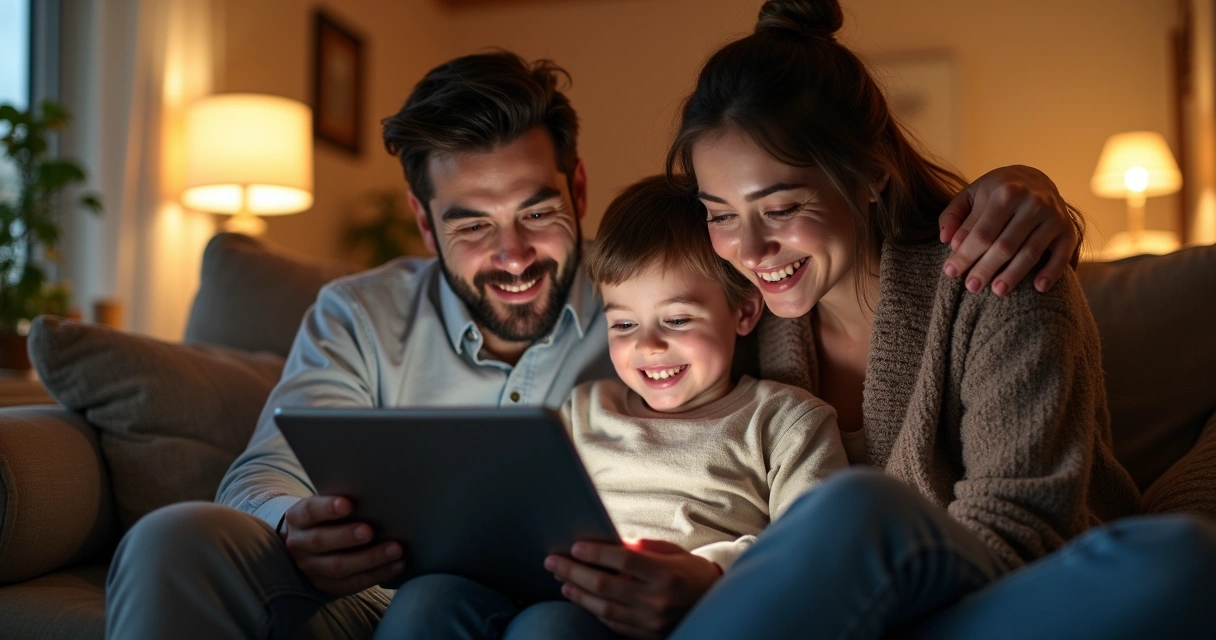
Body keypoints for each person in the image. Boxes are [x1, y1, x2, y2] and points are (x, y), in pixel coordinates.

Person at [104, 50, 1100, 639]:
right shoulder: (358, 311)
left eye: (535, 210)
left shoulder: (672, 298)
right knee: (170, 535)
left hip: (588, 595)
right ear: (421, 221)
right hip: (377, 584)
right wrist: (293, 525)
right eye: (469, 223)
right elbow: (268, 464)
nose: (512, 253)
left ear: (578, 192)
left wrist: (1026, 185)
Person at [542, 1, 1216, 638]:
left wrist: (744, 590)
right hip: (827, 616)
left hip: (1008, 599)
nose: (749, 250)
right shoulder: (734, 317)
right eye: (721, 213)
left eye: (779, 208)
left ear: (869, 174)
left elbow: (1021, 534)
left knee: (1180, 558)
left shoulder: (998, 279)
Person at [375, 175, 849, 639]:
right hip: (551, 591)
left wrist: (712, 571)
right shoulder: (584, 408)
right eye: (623, 325)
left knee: (549, 627)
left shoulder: (784, 421)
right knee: (425, 599)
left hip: (672, 615)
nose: (649, 345)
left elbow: (812, 555)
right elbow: (524, 514)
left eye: (678, 319)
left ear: (743, 311)